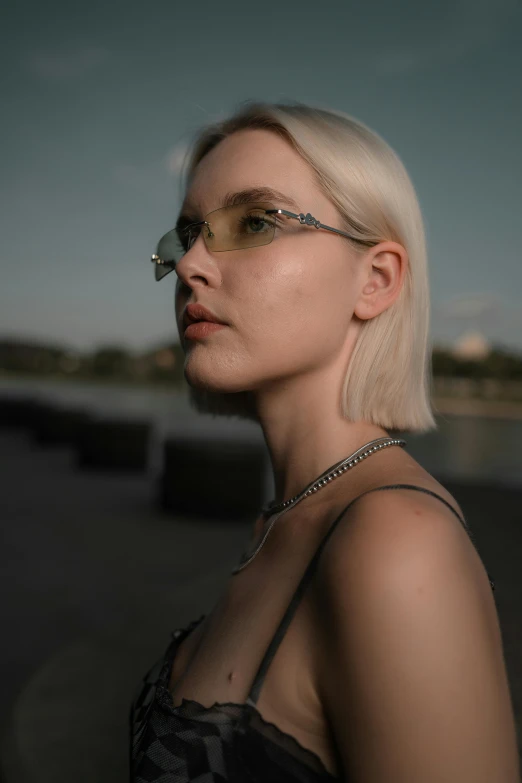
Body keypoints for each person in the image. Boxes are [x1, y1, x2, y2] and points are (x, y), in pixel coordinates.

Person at [130, 101, 519, 782]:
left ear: (376, 281)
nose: (191, 263)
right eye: (188, 232)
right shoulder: (286, 519)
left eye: (253, 221)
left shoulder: (396, 541)